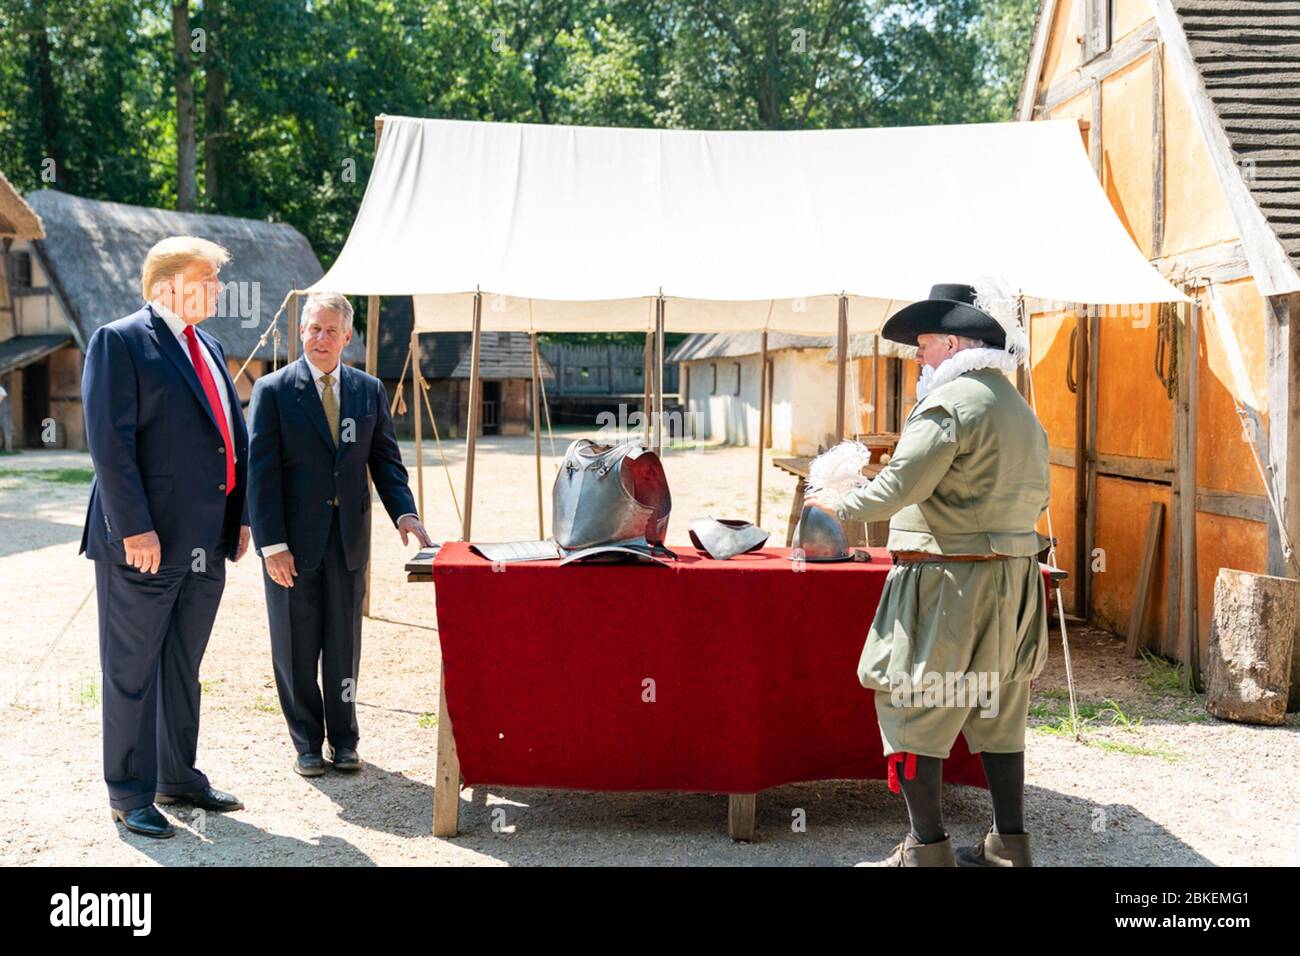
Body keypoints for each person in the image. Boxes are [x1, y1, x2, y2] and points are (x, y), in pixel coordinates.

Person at [807, 281, 1051, 867]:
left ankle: (926, 851)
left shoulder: (950, 403)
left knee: (913, 701)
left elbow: (897, 488)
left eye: (922, 344)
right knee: (998, 704)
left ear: (949, 342)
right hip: (1013, 579)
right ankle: (1009, 846)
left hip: (950, 580)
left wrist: (834, 500)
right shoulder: (1017, 406)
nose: (917, 356)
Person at [81, 236, 250, 839]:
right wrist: (135, 527)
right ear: (166, 286)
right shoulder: (120, 341)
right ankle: (128, 793)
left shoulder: (210, 344)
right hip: (144, 543)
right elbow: (110, 443)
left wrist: (243, 513)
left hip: (207, 541)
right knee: (132, 670)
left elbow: (229, 435)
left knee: (182, 665)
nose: (219, 289)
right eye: (208, 279)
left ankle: (176, 776)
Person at [248, 292, 431, 777]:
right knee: (295, 643)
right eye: (312, 328)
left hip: (348, 541)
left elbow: (385, 463)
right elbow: (259, 476)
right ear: (300, 332)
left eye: (331, 330)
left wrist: (405, 514)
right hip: (290, 546)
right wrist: (272, 546)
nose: (320, 338)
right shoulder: (272, 391)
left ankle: (344, 740)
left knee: (343, 643)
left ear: (348, 336)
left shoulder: (369, 391)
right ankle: (306, 742)